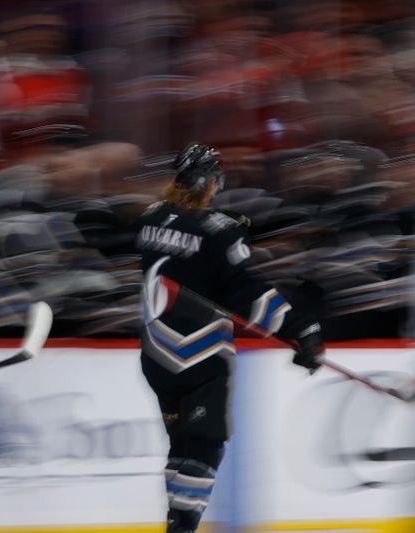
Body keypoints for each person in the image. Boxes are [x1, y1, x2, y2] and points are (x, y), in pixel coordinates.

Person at [135, 143, 325, 533]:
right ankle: (182, 527)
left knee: (181, 445)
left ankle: (175, 521)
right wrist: (301, 329)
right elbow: (248, 294)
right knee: (204, 445)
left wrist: (215, 226)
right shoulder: (222, 233)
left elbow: (183, 247)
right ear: (211, 181)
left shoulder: (150, 218)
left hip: (155, 354)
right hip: (199, 356)